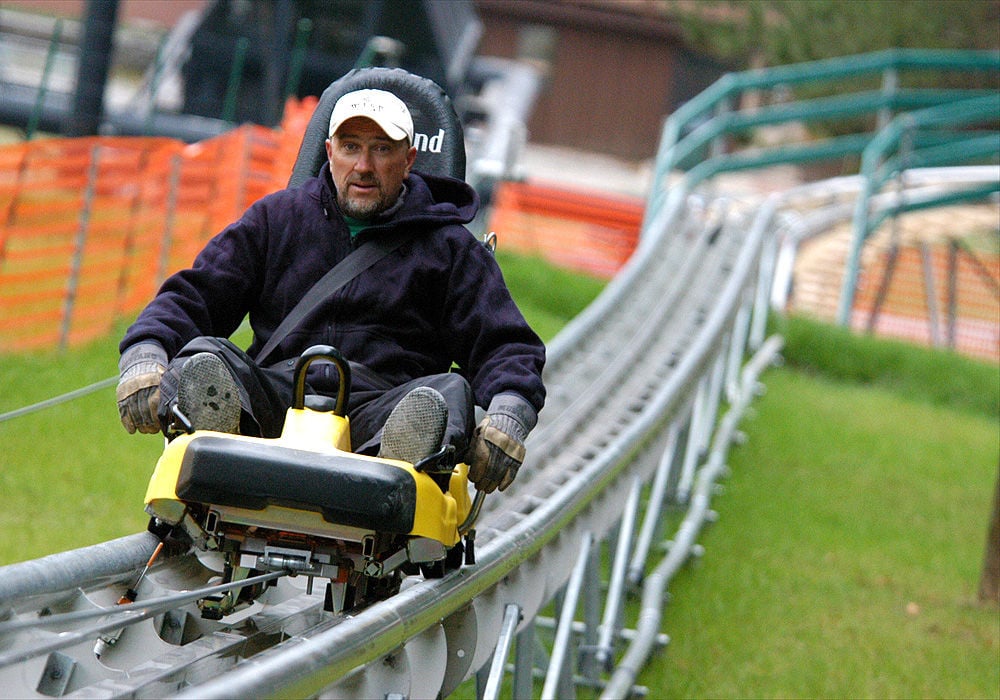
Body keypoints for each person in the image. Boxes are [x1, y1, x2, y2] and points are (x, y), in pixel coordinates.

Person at [116, 88, 545, 493]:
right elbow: (196, 296)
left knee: (446, 396)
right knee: (205, 356)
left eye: (382, 149)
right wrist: (146, 352)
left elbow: (505, 345)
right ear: (329, 152)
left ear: (409, 159)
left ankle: (400, 467)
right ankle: (220, 441)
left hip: (385, 411)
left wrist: (509, 414)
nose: (363, 165)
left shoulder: (450, 249)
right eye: (351, 146)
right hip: (274, 402)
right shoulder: (276, 218)